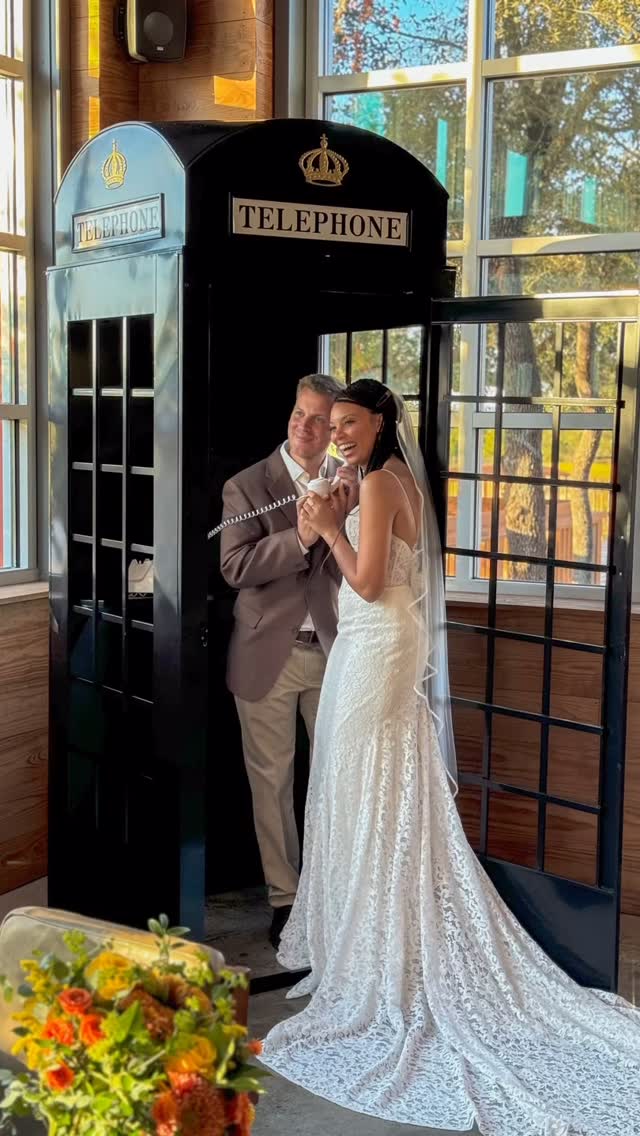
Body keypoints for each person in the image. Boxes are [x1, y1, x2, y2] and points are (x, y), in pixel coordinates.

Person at [260, 378, 640, 1136]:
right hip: (378, 641)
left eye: (349, 422)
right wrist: (337, 511)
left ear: (378, 423)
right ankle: (373, 933)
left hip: (375, 643)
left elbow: (364, 579)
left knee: (363, 781)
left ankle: (383, 956)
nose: (336, 433)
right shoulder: (390, 476)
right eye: (331, 423)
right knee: (373, 779)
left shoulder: (376, 484)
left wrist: (329, 526)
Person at [220, 373, 355, 949]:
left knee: (335, 779)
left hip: (333, 652)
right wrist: (299, 538)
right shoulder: (247, 485)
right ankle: (285, 898)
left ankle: (334, 895)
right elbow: (234, 567)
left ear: (333, 429)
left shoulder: (352, 484)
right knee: (272, 784)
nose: (305, 425)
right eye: (300, 413)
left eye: (319, 419)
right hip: (265, 656)